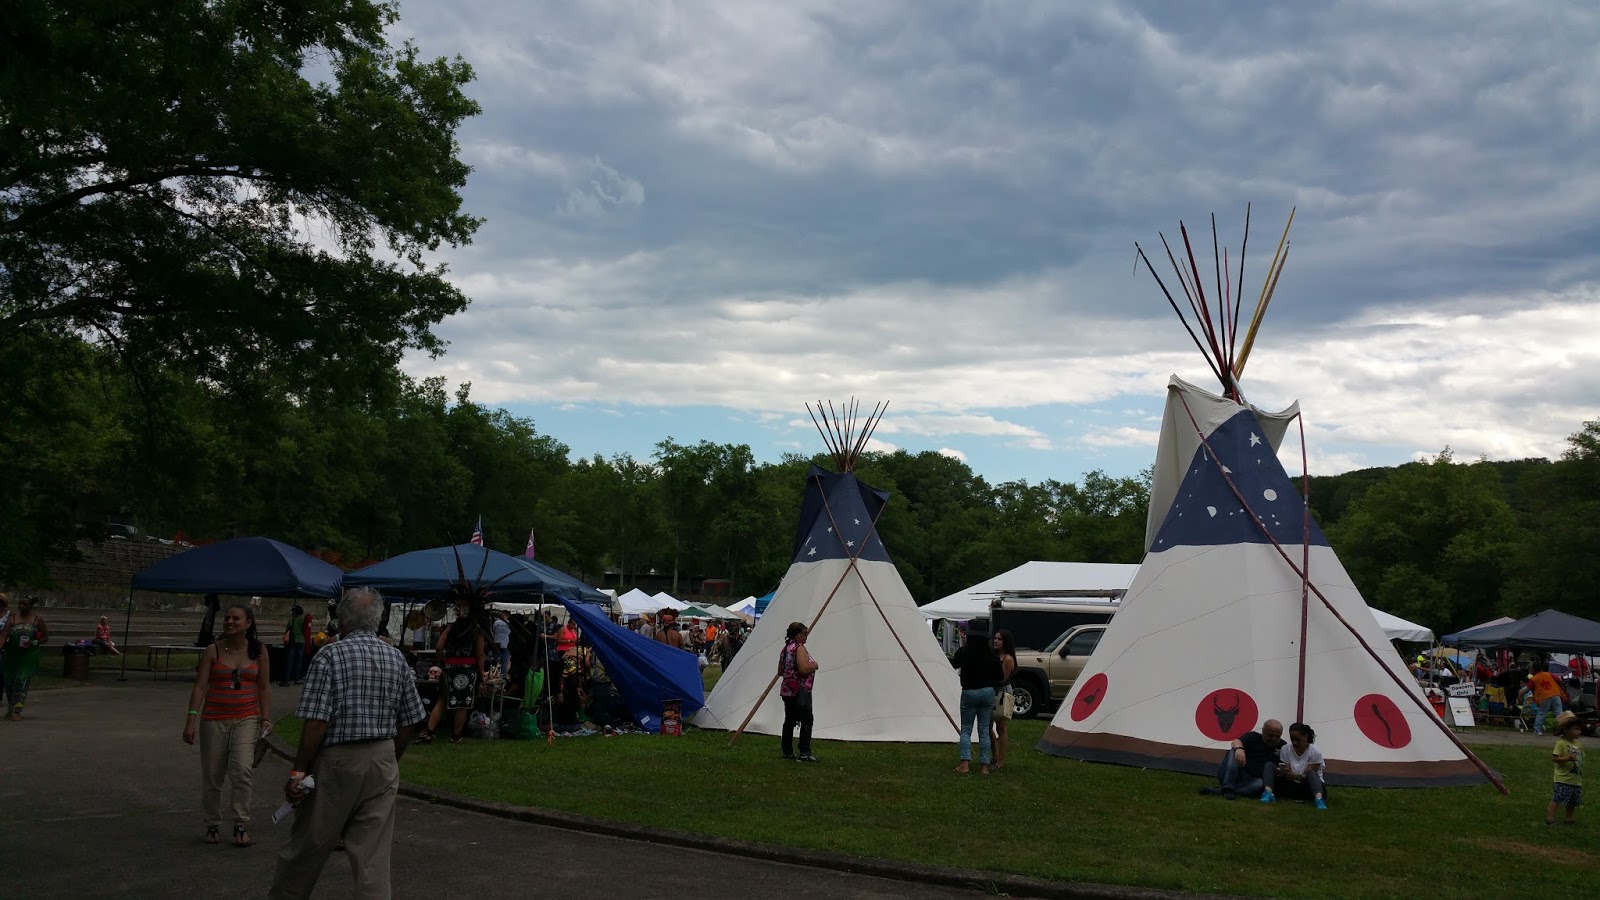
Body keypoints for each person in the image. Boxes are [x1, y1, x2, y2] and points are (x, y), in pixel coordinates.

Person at [269, 588, 426, 900]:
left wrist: (298, 771)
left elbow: (316, 722)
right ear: (377, 620)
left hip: (337, 759)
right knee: (373, 859)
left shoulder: (329, 655)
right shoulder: (396, 658)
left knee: (308, 846)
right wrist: (392, 756)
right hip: (382, 758)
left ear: (341, 620)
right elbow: (411, 719)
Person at [182, 604, 273, 847]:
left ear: (248, 623)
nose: (230, 622)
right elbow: (200, 686)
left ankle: (240, 823)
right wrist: (191, 718)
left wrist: (265, 717)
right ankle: (212, 824)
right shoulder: (213, 650)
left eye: (236, 618)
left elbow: (264, 687)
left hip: (247, 718)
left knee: (242, 770)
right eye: (227, 618)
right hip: (214, 719)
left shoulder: (259, 651)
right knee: (213, 775)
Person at [418, 595, 486, 745]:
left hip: (449, 668)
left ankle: (428, 732)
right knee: (463, 704)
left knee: (442, 700)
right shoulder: (476, 630)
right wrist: (482, 673)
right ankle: (456, 735)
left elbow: (439, 647)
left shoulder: (450, 628)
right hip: (467, 670)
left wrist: (444, 661)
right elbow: (480, 655)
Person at [951, 625, 1002, 774]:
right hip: (987, 691)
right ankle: (984, 766)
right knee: (984, 729)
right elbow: (999, 675)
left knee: (966, 729)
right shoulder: (991, 653)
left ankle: (965, 764)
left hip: (969, 691)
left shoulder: (963, 652)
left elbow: (954, 664)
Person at [1205, 720, 1284, 799]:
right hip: (1235, 773)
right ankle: (1228, 785)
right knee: (1233, 752)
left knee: (1260, 783)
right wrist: (1239, 749)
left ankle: (1223, 791)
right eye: (1270, 735)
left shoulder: (1283, 747)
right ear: (1263, 731)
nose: (1273, 739)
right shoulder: (1253, 737)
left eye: (1277, 736)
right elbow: (1236, 742)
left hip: (1252, 781)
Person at [1, 595, 49, 720]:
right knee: (9, 682)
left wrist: (33, 642)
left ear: (31, 606)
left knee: (21, 681)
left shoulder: (37, 620)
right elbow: (4, 635)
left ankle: (16, 711)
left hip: (28, 657)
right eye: (20, 604)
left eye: (24, 604)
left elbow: (45, 637)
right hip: (11, 656)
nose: (21, 606)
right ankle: (10, 709)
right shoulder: (12, 619)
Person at [1260, 722, 1327, 809]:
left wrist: (1296, 776)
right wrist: (1283, 772)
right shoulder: (1285, 748)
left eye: (1297, 740)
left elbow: (1309, 776)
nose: (1294, 743)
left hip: (1308, 786)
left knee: (1311, 773)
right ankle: (1268, 792)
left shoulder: (1315, 752)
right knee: (1269, 765)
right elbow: (1287, 769)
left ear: (1305, 737)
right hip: (1292, 784)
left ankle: (1319, 798)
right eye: (1292, 739)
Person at [778, 622, 819, 762]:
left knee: (789, 720)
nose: (806, 636)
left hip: (787, 690)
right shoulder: (799, 648)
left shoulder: (785, 649)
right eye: (804, 634)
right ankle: (804, 752)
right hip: (800, 689)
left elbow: (780, 671)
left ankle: (787, 751)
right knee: (807, 719)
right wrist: (814, 665)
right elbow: (803, 669)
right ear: (797, 635)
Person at [1547, 710, 1584, 826]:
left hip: (1575, 778)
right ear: (1566, 729)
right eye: (1576, 729)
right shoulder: (1561, 743)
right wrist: (1567, 759)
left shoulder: (1578, 744)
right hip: (1563, 778)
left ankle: (1569, 817)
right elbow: (1555, 758)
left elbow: (1581, 757)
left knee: (1573, 800)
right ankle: (1550, 816)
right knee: (1557, 798)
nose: (1579, 732)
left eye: (1580, 729)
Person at [991, 630, 1017, 769]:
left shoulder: (1007, 659)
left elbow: (1002, 679)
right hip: (991, 691)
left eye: (999, 639)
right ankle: (994, 755)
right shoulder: (993, 655)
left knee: (1001, 727)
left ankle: (1000, 761)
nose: (996, 641)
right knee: (988, 726)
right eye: (995, 638)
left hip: (1002, 692)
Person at [1530, 666, 1567, 736]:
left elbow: (1528, 688)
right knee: (1559, 713)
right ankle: (1561, 731)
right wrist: (1562, 688)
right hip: (1556, 694)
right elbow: (1559, 680)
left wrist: (1520, 696)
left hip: (1544, 696)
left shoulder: (1533, 678)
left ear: (1534, 670)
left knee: (1542, 713)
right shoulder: (1548, 674)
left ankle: (1538, 730)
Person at [281, 604, 310, 687]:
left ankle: (286, 680)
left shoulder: (291, 621)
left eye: (292, 611)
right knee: (299, 661)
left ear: (294, 612)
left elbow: (287, 632)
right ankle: (297, 679)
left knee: (290, 661)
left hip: (293, 642)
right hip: (302, 642)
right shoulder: (303, 621)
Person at [492, 610, 511, 676]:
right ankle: (503, 675)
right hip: (505, 644)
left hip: (496, 643)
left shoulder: (496, 622)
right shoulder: (508, 624)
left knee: (495, 660)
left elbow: (493, 630)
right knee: (504, 661)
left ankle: (494, 674)